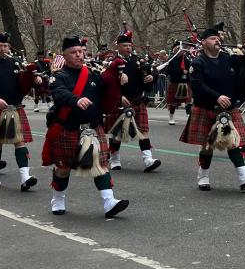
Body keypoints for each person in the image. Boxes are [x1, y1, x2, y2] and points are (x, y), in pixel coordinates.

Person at [43, 36, 130, 218]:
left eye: (81, 51)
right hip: (68, 128)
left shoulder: (93, 74)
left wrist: (117, 84)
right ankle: (58, 199)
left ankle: (109, 202)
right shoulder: (58, 76)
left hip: (92, 128)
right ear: (64, 55)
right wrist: (76, 99)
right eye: (74, 52)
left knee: (101, 165)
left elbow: (106, 93)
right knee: (63, 168)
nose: (79, 55)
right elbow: (59, 93)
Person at [180, 24, 245, 191]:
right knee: (207, 146)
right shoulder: (198, 63)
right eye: (213, 38)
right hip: (206, 108)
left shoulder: (229, 58)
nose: (217, 41)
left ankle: (244, 177)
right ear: (203, 42)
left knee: (233, 142)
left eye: (218, 38)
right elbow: (197, 85)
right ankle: (203, 176)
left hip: (228, 109)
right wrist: (217, 96)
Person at [0, 32, 38, 190]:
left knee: (20, 141)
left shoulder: (15, 63)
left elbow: (23, 82)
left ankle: (25, 177)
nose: (2, 49)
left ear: (9, 47)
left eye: (5, 46)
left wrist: (34, 79)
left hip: (15, 107)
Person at [102, 31, 161, 172]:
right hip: (120, 102)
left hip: (137, 100)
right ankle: (115, 159)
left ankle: (148, 160)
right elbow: (105, 83)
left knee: (143, 131)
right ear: (118, 47)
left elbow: (153, 72)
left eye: (130, 45)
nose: (128, 48)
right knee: (118, 133)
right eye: (125, 45)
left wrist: (152, 77)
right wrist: (118, 97)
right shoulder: (112, 62)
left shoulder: (138, 60)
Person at [165, 42, 193, 125]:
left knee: (188, 102)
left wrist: (188, 72)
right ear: (174, 50)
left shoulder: (186, 59)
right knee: (173, 102)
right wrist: (181, 71)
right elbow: (167, 72)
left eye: (180, 48)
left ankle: (189, 117)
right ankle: (171, 117)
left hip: (185, 82)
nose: (179, 50)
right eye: (177, 48)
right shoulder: (171, 60)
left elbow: (191, 69)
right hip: (175, 83)